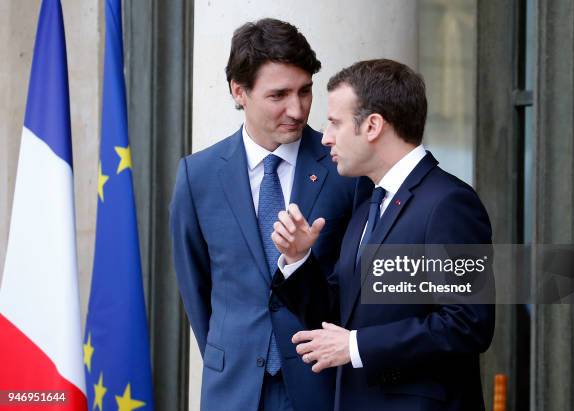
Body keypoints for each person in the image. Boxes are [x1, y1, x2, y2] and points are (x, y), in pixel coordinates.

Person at [271, 59, 495, 411]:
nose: (325, 137)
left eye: (335, 123)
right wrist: (299, 260)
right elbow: (342, 316)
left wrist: (356, 347)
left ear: (373, 125)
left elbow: (467, 323)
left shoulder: (450, 203)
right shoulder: (367, 208)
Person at [170, 18, 359, 411]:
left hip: (320, 385)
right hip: (234, 387)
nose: (297, 108)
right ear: (239, 92)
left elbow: (356, 287)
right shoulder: (198, 175)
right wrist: (232, 353)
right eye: (279, 95)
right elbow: (196, 288)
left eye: (305, 91)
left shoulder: (345, 170)